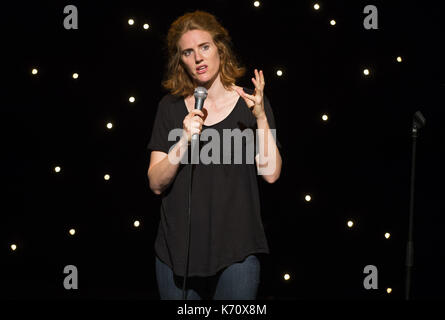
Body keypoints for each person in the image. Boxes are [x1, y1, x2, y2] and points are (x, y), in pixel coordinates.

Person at [147, 10, 282, 300]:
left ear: (220, 48)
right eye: (188, 52)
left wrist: (260, 118)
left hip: (236, 252)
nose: (198, 58)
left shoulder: (251, 103)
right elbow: (156, 183)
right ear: (180, 60)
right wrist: (183, 141)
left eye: (204, 47)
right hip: (177, 253)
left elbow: (271, 173)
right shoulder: (169, 108)